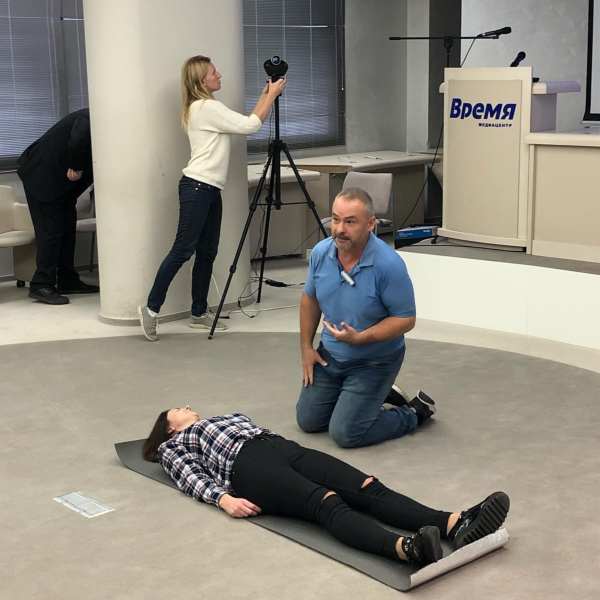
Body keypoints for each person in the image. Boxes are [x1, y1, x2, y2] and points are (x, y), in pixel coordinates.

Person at [143, 407, 510, 568]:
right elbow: (188, 475)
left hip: (283, 448)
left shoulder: (222, 418)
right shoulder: (173, 445)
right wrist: (222, 499)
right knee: (327, 503)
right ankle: (407, 549)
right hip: (247, 468)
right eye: (178, 408)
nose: (187, 406)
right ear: (169, 426)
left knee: (367, 487)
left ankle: (454, 523)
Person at [138, 55, 286, 341]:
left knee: (207, 252)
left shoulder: (203, 107)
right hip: (197, 188)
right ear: (201, 80)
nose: (219, 75)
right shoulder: (206, 107)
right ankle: (151, 309)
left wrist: (266, 94)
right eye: (213, 72)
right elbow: (252, 126)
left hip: (208, 189)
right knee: (183, 250)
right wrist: (272, 95)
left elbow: (247, 122)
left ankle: (198, 313)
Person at [296, 187, 432, 448]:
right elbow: (309, 299)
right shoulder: (321, 253)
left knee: (345, 433)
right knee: (308, 421)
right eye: (335, 219)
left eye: (350, 222)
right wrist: (306, 348)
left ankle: (413, 412)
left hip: (374, 362)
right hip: (330, 356)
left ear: (370, 224)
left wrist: (361, 338)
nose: (339, 229)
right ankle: (373, 396)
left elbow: (406, 319)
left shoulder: (389, 265)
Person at [17, 108, 99, 305]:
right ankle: (41, 284)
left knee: (67, 229)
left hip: (60, 184)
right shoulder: (92, 116)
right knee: (51, 231)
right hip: (42, 177)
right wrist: (76, 166)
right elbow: (79, 136)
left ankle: (67, 279)